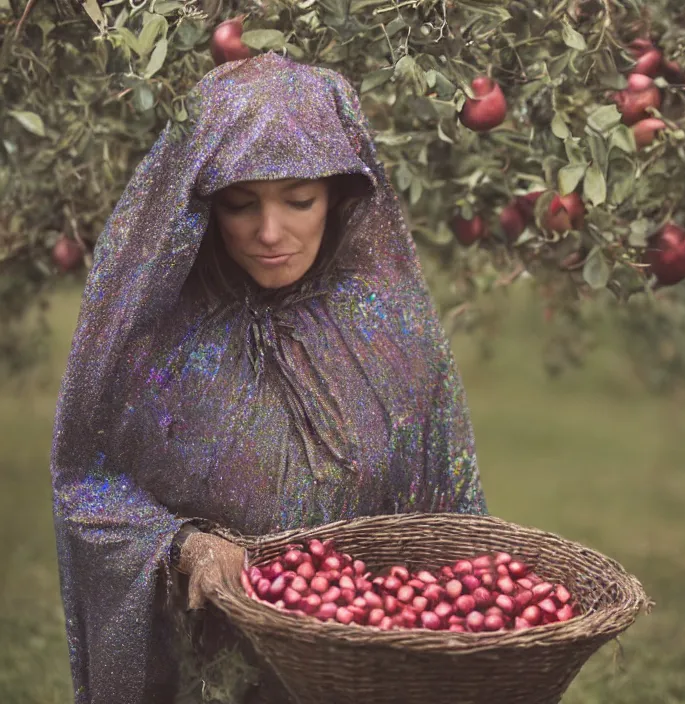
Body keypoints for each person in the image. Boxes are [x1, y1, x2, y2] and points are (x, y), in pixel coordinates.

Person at [50, 52, 488, 704]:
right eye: (239, 204)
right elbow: (88, 484)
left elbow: (445, 520)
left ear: (341, 194)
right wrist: (183, 547)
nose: (270, 232)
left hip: (356, 670)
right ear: (201, 202)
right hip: (206, 678)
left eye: (299, 199)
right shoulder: (154, 337)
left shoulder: (385, 328)